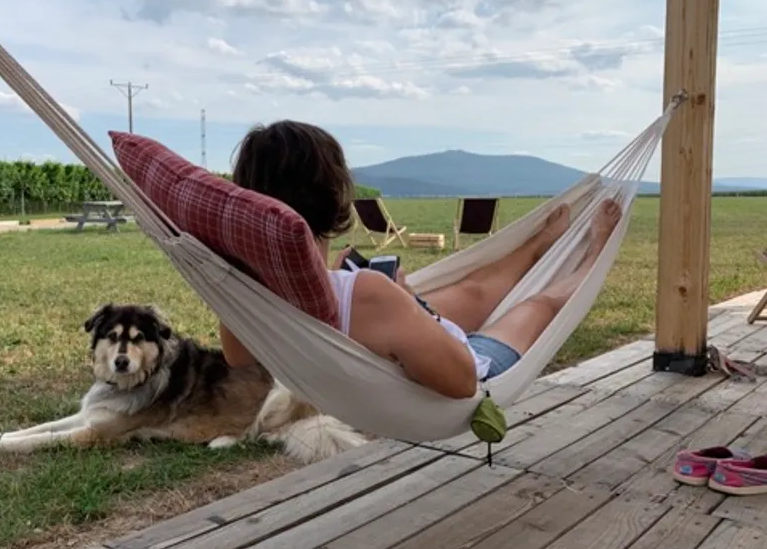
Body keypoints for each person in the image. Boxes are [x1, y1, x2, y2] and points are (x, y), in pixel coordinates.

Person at [218, 119, 622, 400]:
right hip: (467, 365)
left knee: (471, 289)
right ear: (334, 196)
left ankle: (538, 245)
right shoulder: (370, 295)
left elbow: (238, 356)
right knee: (538, 303)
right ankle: (592, 254)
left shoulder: (245, 301)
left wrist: (350, 285)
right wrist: (408, 306)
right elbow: (463, 381)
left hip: (378, 333)